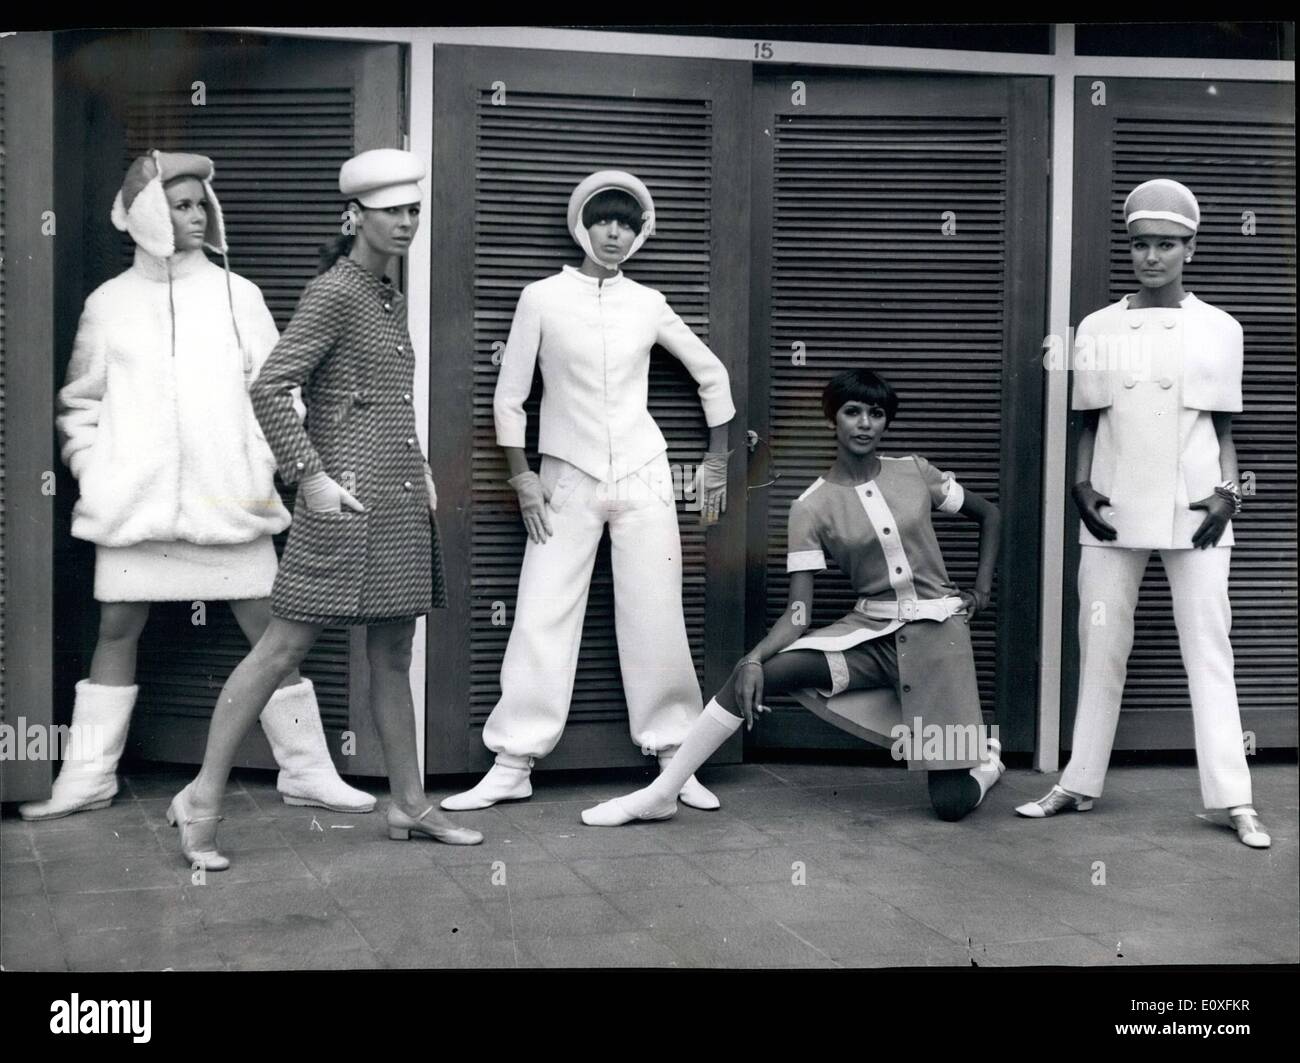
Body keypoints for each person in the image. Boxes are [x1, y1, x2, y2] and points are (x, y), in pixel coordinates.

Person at [21, 151, 372, 823]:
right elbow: (80, 404)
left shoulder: (238, 294)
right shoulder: (109, 303)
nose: (195, 214)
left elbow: (280, 393)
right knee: (117, 627)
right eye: (179, 204)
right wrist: (98, 470)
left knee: (273, 633)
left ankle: (307, 770)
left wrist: (263, 464)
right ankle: (88, 775)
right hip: (134, 508)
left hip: (230, 500)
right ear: (147, 214)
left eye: (200, 203)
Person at [167, 148, 480, 870]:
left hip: (396, 497)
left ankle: (408, 801)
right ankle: (202, 797)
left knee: (394, 652)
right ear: (355, 216)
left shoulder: (386, 296)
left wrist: (421, 464)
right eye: (392, 211)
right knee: (281, 649)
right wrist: (309, 477)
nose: (406, 222)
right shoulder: (334, 291)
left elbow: (376, 402)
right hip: (340, 502)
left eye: (413, 210)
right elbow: (271, 387)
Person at [582, 368, 1006, 827]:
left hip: (939, 640)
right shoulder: (810, 505)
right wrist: (752, 659)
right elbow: (798, 614)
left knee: (951, 804)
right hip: (871, 637)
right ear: (832, 421)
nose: (865, 423)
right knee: (764, 669)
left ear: (885, 423)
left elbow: (990, 515)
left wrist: (980, 593)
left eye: (877, 414)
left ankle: (988, 761)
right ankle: (661, 793)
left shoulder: (916, 471)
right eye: (853, 412)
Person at [441, 170, 735, 813]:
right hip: (563, 477)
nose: (615, 233)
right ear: (582, 224)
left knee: (656, 610)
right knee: (542, 608)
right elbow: (510, 396)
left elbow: (711, 375)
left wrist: (715, 462)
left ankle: (674, 763)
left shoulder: (648, 302)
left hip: (643, 473)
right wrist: (521, 476)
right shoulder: (541, 297)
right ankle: (513, 763)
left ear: (641, 233)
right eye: (605, 220)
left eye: (628, 224)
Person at [1016, 179, 1269, 849]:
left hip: (1196, 510)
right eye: (1141, 245)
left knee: (1209, 648)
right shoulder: (1098, 328)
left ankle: (1233, 798)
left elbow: (1221, 428)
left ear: (1190, 248)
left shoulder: (1221, 328)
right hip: (1114, 505)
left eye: (1166, 245)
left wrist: (1227, 494)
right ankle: (1076, 781)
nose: (1151, 256)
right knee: (1100, 646)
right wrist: (1079, 485)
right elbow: (1089, 421)